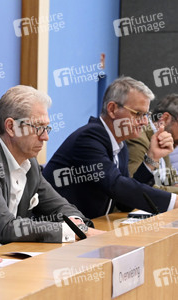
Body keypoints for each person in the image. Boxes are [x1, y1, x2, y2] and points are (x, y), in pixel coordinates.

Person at [0, 85, 103, 248]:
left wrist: (78, 224)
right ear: (11, 127)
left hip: (3, 259)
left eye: (47, 128)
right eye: (38, 128)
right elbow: (5, 228)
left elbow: (59, 207)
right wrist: (68, 231)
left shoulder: (29, 163)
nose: (45, 137)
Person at [43, 76, 177, 219]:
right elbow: (116, 185)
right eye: (138, 114)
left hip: (88, 229)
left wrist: (152, 158)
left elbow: (124, 203)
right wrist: (173, 201)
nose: (144, 122)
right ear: (112, 109)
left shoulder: (120, 145)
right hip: (57, 230)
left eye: (146, 115)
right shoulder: (89, 137)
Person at [126, 94, 178, 193]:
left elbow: (171, 179)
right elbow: (138, 187)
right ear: (166, 118)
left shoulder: (164, 136)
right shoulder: (138, 137)